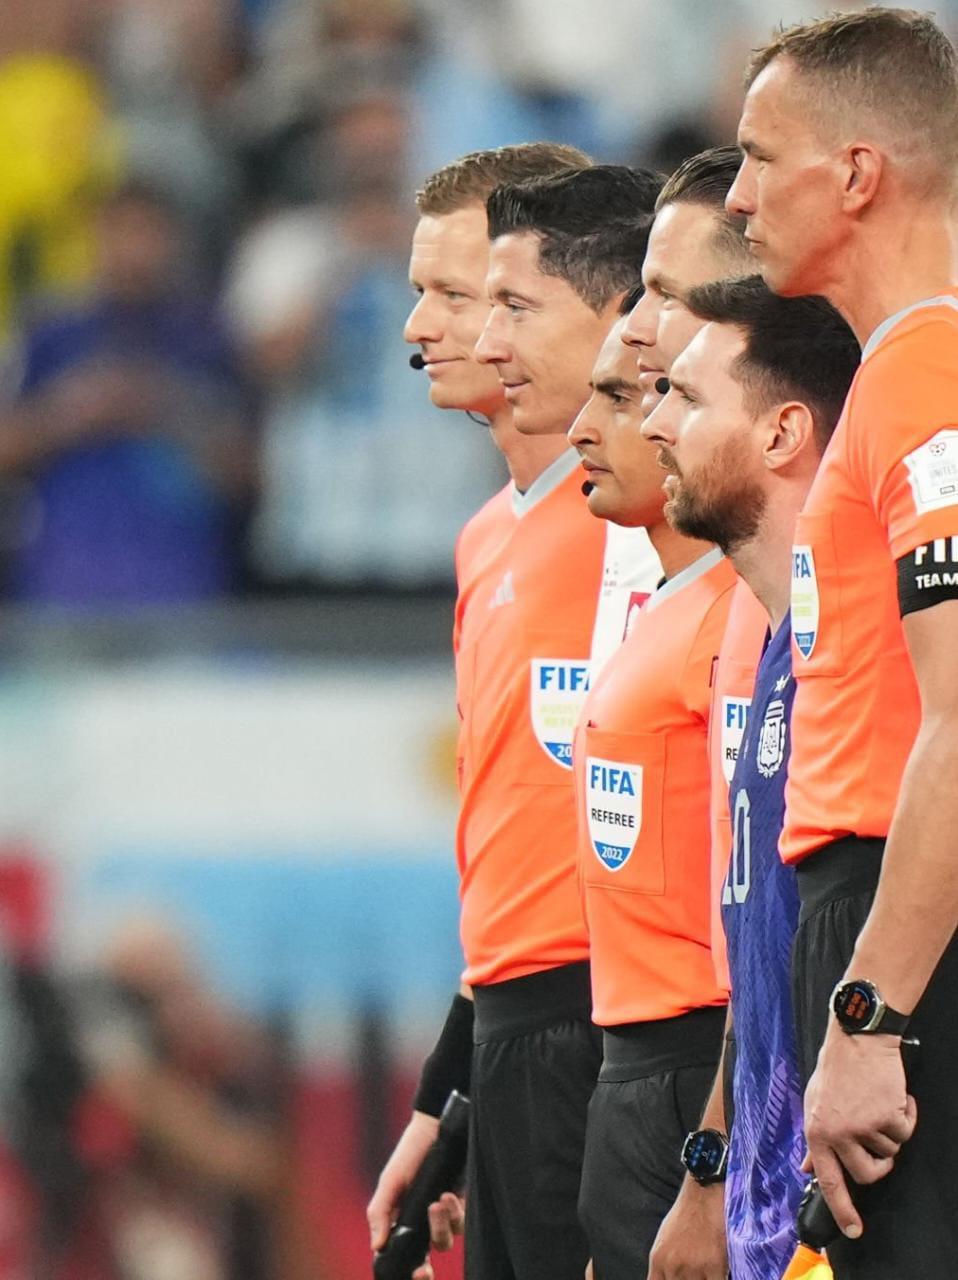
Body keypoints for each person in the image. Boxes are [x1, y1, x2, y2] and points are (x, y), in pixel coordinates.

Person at [368, 149, 663, 1280]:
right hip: (516, 1030)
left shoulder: (645, 528)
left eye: (473, 294)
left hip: (619, 1028)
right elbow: (517, 864)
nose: (431, 327)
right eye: (440, 294)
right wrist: (446, 1099)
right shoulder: (490, 537)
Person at [727, 10, 958, 1277]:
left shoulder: (929, 369)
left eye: (761, 158)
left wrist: (871, 1011)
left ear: (858, 173)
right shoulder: (897, 373)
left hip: (907, 932)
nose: (739, 196)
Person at [646, 275, 859, 1279]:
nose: (657, 425)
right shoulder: (776, 643)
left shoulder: (861, 648)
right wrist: (717, 1172)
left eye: (686, 399)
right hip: (767, 1213)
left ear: (781, 433)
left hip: (841, 1202)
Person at [568, 306, 734, 1280]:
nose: (583, 428)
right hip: (633, 1068)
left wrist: (707, 1156)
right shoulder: (665, 609)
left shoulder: (734, 618)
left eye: (620, 397)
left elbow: (760, 902)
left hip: (694, 1067)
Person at [0, 181, 255, 605]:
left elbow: (248, 474)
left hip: (183, 587)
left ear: (173, 242)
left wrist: (163, 407)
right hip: (65, 585)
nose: (134, 249)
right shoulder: (52, 336)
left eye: (147, 233)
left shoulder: (208, 338)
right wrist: (75, 411)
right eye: (120, 232)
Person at [478, 164, 666, 674]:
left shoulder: (726, 532)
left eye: (516, 308)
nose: (486, 346)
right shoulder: (615, 513)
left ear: (624, 312)